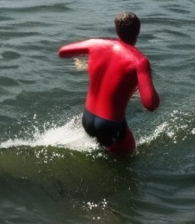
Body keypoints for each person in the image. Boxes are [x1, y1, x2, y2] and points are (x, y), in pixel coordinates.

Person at [58, 11, 159, 157]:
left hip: (87, 118)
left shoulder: (96, 44)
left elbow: (63, 52)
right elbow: (150, 104)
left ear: (116, 29)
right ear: (138, 31)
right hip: (110, 125)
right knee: (128, 160)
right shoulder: (140, 61)